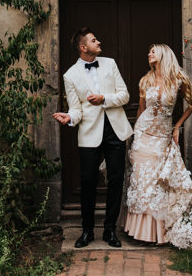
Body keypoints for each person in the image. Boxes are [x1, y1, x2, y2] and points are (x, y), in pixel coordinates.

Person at [53, 28, 133, 248]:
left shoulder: (110, 63)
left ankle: (109, 230)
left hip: (115, 130)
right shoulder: (70, 75)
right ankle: (87, 231)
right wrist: (69, 117)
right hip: (89, 134)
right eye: (93, 40)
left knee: (116, 180)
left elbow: (125, 95)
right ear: (83, 47)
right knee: (87, 182)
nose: (98, 42)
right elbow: (76, 109)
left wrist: (104, 98)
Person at [124, 43, 192, 248]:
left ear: (163, 54)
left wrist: (177, 126)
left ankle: (159, 233)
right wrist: (134, 136)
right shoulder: (145, 80)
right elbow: (141, 110)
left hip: (162, 136)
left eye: (153, 51)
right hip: (143, 134)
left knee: (158, 183)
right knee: (141, 182)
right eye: (148, 51)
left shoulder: (178, 80)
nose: (149, 54)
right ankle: (140, 232)